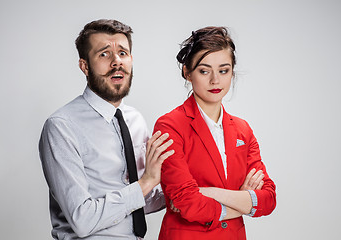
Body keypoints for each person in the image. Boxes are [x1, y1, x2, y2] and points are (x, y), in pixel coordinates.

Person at [39, 19, 174, 239]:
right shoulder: (62, 127)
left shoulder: (135, 120)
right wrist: (147, 182)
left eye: (123, 53)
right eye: (104, 54)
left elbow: (139, 202)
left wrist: (184, 188)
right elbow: (82, 219)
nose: (116, 62)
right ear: (84, 66)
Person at [153, 26, 276, 239]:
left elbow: (267, 199)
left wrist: (209, 192)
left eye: (223, 70)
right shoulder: (170, 125)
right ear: (187, 72)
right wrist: (243, 201)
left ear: (232, 72)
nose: (215, 80)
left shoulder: (242, 129)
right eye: (204, 70)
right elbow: (188, 203)